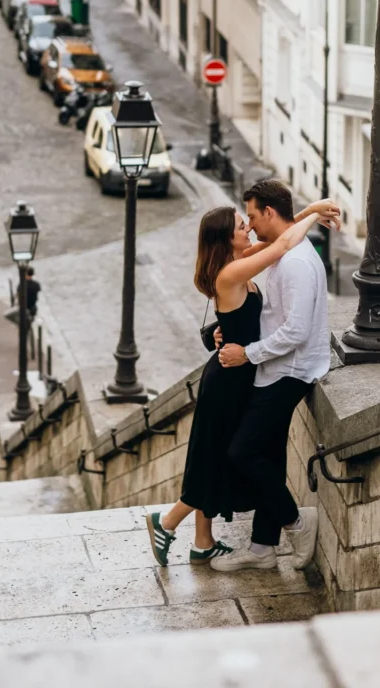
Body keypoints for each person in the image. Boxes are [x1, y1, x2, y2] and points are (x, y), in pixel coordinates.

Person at [145, 196, 339, 568]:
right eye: (240, 225)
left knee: (215, 455)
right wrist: (315, 212)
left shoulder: (238, 262)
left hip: (240, 374)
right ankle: (166, 522)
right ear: (226, 240)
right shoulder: (231, 273)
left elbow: (278, 234)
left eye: (248, 220)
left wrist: (304, 214)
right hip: (228, 382)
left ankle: (203, 541)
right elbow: (283, 243)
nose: (247, 228)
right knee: (216, 457)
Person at [209, 180, 333, 574]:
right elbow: (274, 314)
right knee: (268, 455)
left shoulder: (295, 262)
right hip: (276, 367)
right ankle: (263, 548)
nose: (249, 223)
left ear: (269, 213)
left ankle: (296, 522)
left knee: (241, 452)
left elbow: (295, 332)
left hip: (289, 371)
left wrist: (248, 353)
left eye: (252, 215)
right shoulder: (285, 250)